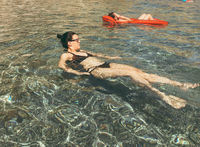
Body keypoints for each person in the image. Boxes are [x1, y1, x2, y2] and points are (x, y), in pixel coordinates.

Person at [57, 31, 199, 109]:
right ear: (69, 43)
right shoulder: (67, 54)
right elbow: (61, 66)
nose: (79, 41)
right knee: (131, 74)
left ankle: (179, 84)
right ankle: (164, 97)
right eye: (77, 40)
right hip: (96, 70)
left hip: (106, 64)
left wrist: (113, 56)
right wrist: (77, 73)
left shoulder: (83, 50)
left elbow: (99, 55)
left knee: (140, 72)